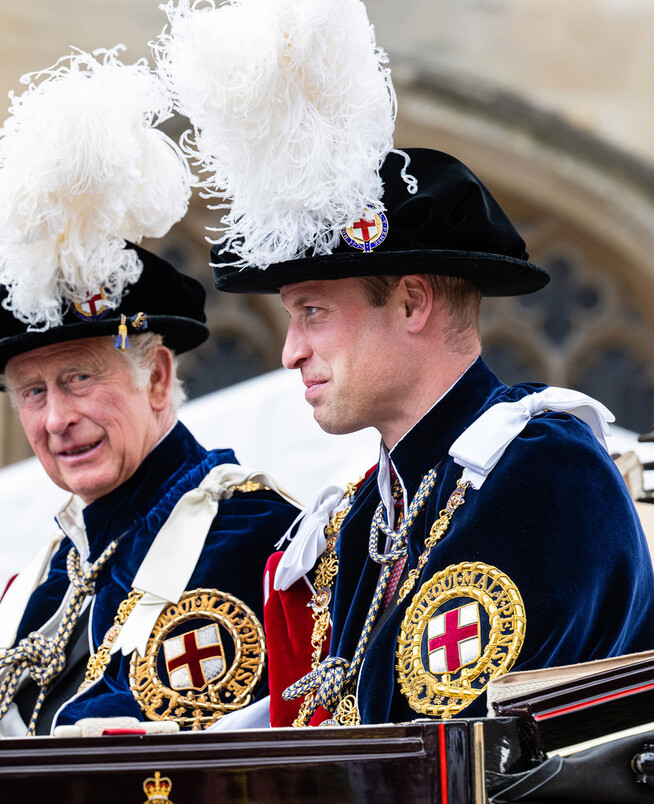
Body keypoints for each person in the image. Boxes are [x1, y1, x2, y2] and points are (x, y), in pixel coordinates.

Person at [156, 0, 654, 727]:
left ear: (413, 301)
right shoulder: (364, 511)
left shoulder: (541, 470)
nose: (292, 350)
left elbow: (450, 740)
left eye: (314, 313)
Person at [0, 47, 299, 737]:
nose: (57, 419)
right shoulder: (53, 568)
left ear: (158, 378)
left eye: (79, 378)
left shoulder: (246, 532)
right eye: (33, 393)